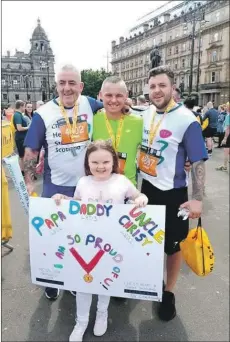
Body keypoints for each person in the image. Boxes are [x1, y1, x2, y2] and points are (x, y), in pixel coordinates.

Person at [52, 140, 148, 341]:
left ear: (114, 161)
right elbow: (76, 206)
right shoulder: (83, 182)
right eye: (95, 162)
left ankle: (102, 313)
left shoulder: (121, 181)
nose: (101, 166)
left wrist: (140, 199)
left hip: (112, 244)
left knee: (106, 281)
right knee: (83, 284)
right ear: (87, 163)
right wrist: (63, 199)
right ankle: (81, 321)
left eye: (105, 161)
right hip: (86, 243)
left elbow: (137, 196)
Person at [23, 64, 103, 300]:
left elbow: (115, 106)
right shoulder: (44, 113)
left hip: (87, 186)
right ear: (56, 85)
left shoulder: (90, 104)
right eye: (62, 83)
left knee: (81, 236)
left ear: (81, 86)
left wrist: (129, 106)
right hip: (55, 185)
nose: (66, 88)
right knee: (54, 236)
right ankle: (51, 279)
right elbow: (30, 151)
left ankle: (74, 277)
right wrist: (29, 182)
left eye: (71, 83)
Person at [139, 66, 208, 322]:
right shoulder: (144, 114)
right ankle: (154, 282)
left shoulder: (187, 119)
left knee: (174, 246)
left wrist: (198, 198)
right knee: (149, 241)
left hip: (174, 193)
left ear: (173, 88)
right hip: (147, 190)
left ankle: (169, 292)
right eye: (153, 86)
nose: (157, 90)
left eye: (162, 85)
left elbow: (198, 161)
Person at [93, 76, 143, 186]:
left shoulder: (139, 122)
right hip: (98, 188)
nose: (114, 100)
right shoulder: (92, 120)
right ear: (101, 95)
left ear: (126, 96)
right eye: (109, 95)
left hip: (128, 189)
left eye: (119, 95)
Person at [13, 100, 29, 175]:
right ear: (21, 106)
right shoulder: (17, 115)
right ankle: (22, 171)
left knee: (22, 156)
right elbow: (19, 128)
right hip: (21, 138)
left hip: (22, 137)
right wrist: (28, 127)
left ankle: (22, 171)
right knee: (23, 156)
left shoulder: (18, 114)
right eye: (24, 106)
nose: (25, 108)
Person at [216, 102, 230, 172]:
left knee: (226, 150)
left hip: (228, 135)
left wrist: (225, 138)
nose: (225, 107)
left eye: (227, 106)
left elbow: (228, 128)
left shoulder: (228, 116)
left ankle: (225, 166)